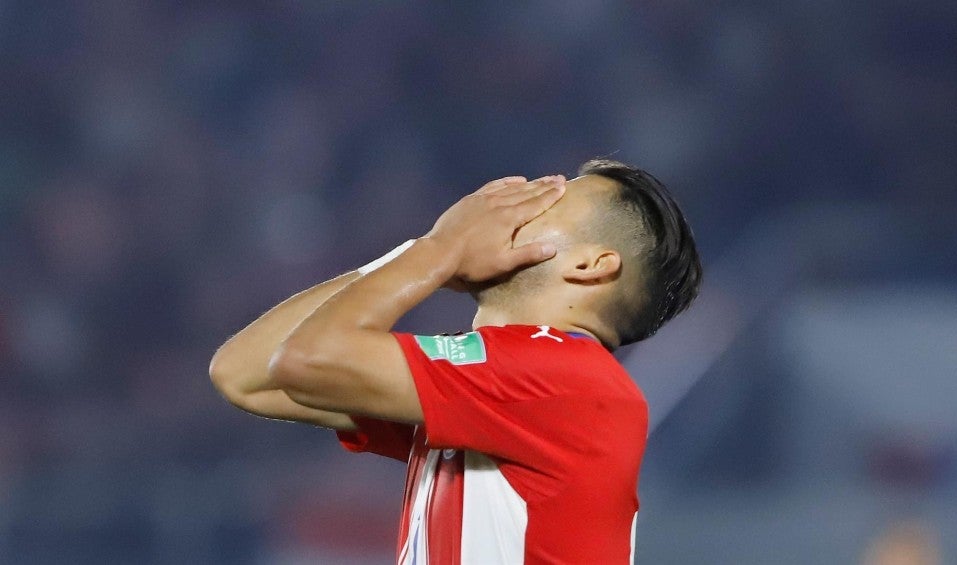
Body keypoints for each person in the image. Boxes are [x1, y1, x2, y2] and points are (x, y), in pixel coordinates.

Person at [209, 159, 702, 564]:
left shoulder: (568, 380)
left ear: (591, 264)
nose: (518, 201)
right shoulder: (498, 385)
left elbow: (305, 360)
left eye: (552, 199)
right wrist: (423, 254)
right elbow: (246, 374)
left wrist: (440, 250)